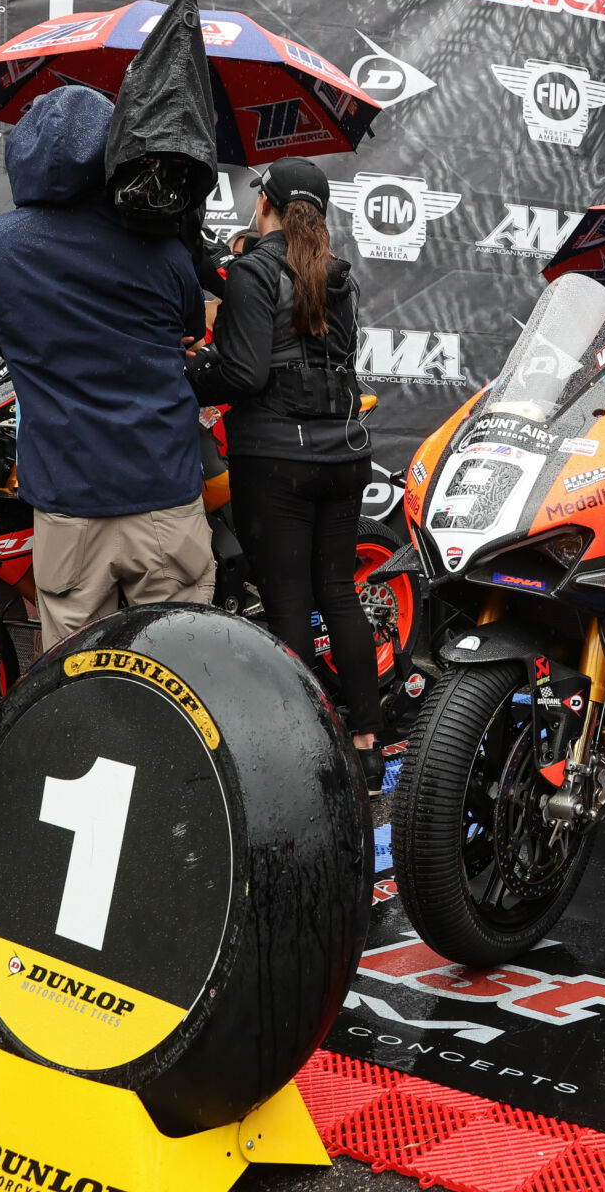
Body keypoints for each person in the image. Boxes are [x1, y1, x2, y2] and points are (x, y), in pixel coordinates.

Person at [0, 85, 213, 649]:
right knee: (178, 669)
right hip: (162, 489)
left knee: (76, 679)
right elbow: (190, 331)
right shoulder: (166, 251)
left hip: (67, 497)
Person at [187, 159, 385, 788]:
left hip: (275, 461)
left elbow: (243, 374)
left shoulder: (254, 272)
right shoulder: (340, 279)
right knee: (339, 594)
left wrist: (188, 371)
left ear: (264, 205)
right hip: (346, 455)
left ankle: (302, 749)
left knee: (290, 606)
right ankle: (366, 741)